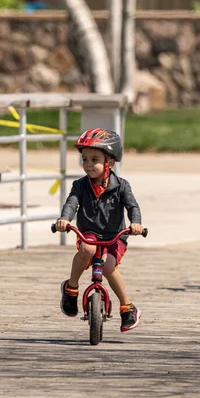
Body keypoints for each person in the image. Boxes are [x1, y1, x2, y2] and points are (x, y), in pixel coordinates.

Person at [55, 127, 144, 332]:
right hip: (89, 233)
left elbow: (132, 206)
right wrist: (64, 219)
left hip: (115, 236)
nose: (88, 165)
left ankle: (127, 307)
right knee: (86, 250)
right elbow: (72, 203)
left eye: (94, 159)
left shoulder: (122, 186)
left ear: (109, 162)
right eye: (84, 159)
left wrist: (135, 223)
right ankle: (71, 288)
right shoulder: (80, 185)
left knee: (108, 267)